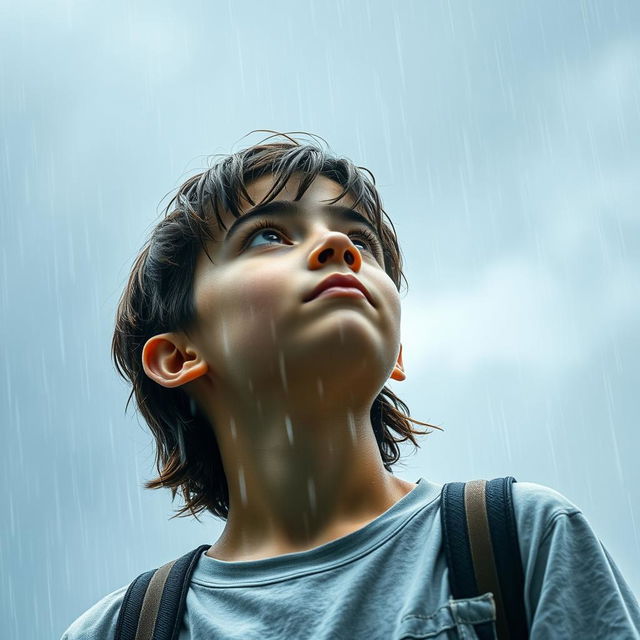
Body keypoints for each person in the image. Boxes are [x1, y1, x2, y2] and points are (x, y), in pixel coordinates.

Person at [61, 131, 640, 639]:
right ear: (178, 356)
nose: (338, 249)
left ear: (398, 355)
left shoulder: (519, 539)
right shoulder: (117, 631)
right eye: (267, 235)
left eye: (360, 240)